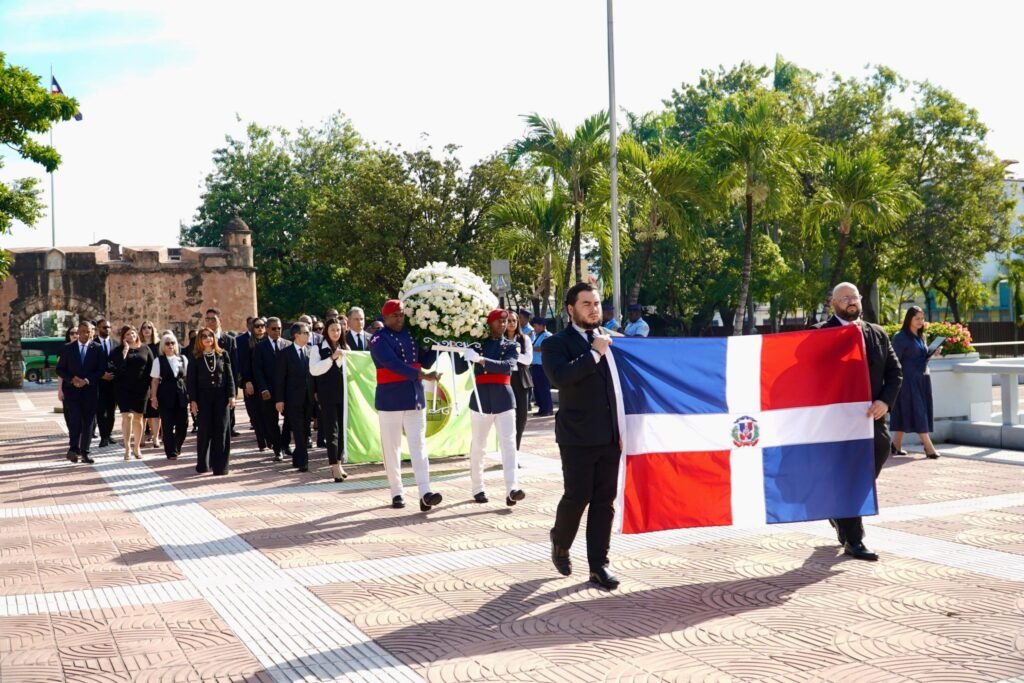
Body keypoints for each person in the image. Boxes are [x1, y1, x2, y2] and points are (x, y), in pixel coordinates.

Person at [815, 282, 902, 561]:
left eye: (855, 297)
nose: (851, 302)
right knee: (849, 475)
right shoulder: (819, 335)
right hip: (835, 423)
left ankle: (840, 511)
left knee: (875, 458)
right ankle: (854, 538)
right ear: (833, 303)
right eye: (845, 298)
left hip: (872, 420)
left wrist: (885, 401)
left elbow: (895, 372)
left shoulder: (877, 333)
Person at [542, 282, 621, 590]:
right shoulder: (555, 343)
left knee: (604, 501)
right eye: (586, 303)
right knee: (577, 497)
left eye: (597, 303)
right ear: (571, 309)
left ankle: (598, 565)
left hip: (610, 436)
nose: (593, 309)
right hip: (576, 436)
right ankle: (560, 541)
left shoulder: (613, 341)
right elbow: (561, 378)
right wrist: (594, 354)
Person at [370, 299, 445, 511]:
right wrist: (422, 374)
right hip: (391, 398)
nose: (400, 318)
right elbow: (392, 364)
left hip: (413, 396)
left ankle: (425, 492)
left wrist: (439, 344)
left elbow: (423, 358)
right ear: (384, 318)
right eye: (395, 315)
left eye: (402, 314)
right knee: (392, 448)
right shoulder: (379, 338)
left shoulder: (411, 335)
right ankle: (396, 491)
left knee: (419, 446)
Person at [464, 309, 526, 506]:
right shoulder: (478, 344)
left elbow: (507, 366)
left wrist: (480, 360)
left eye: (505, 321)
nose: (503, 324)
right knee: (479, 447)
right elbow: (459, 367)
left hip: (504, 399)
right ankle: (478, 487)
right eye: (498, 321)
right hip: (481, 399)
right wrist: (461, 350)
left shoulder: (512, 345)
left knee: (508, 445)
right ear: (489, 323)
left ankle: (512, 488)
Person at [891, 306, 941, 459]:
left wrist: (932, 353)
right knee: (918, 412)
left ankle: (896, 445)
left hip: (922, 379)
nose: (921, 322)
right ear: (909, 319)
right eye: (917, 318)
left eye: (922, 318)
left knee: (907, 411)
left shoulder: (921, 336)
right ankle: (929, 447)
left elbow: (922, 358)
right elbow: (894, 360)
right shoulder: (900, 337)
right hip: (907, 381)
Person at [187, 328, 236, 475]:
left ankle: (221, 466)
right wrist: (193, 400)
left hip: (221, 397)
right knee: (204, 430)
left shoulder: (222, 354)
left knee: (221, 430)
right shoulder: (195, 357)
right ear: (199, 340)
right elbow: (191, 381)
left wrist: (232, 395)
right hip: (203, 398)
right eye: (204, 336)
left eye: (210, 336)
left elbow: (229, 376)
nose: (208, 338)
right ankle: (203, 464)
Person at [56, 320, 104, 464]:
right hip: (72, 392)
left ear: (93, 332)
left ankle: (85, 452)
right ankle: (73, 449)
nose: (85, 334)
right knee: (75, 420)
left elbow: (101, 370)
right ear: (78, 333)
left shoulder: (97, 348)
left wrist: (87, 380)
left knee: (88, 422)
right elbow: (60, 369)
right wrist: (72, 379)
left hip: (90, 391)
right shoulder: (68, 348)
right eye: (82, 331)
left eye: (88, 331)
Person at [310, 318, 350, 482]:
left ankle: (339, 463)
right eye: (333, 329)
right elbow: (314, 370)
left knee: (341, 431)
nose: (336, 333)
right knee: (331, 430)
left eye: (338, 330)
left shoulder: (345, 348)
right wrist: (332, 358)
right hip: (327, 395)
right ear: (326, 331)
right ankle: (333, 466)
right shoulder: (317, 349)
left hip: (344, 394)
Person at [110, 325, 154, 461]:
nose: (131, 336)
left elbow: (151, 370)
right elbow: (115, 369)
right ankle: (127, 447)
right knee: (127, 416)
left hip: (141, 388)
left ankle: (137, 446)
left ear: (137, 335)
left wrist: (153, 390)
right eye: (128, 334)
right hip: (123, 388)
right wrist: (125, 353)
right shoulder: (117, 351)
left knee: (138, 417)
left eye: (133, 333)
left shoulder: (146, 349)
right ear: (123, 337)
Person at [275, 322, 315, 472]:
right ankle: (304, 461)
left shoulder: (311, 351)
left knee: (305, 429)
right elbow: (279, 379)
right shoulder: (285, 353)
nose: (308, 335)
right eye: (305, 332)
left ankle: (298, 457)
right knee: (298, 429)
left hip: (308, 398)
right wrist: (279, 399)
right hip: (292, 398)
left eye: (308, 332)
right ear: (296, 335)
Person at [253, 317, 292, 461]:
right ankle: (277, 448)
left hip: (286, 390)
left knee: (289, 419)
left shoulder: (288, 345)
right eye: (274, 328)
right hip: (269, 390)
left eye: (279, 328)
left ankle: (285, 444)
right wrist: (263, 389)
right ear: (268, 330)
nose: (277, 331)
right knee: (271, 421)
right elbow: (258, 370)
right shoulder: (260, 347)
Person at [149, 332, 189, 459]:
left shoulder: (183, 359)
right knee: (167, 425)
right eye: (167, 343)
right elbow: (154, 381)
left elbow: (187, 378)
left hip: (181, 394)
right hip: (165, 394)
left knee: (183, 424)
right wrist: (153, 397)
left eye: (173, 343)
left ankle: (177, 446)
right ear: (162, 346)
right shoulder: (158, 361)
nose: (170, 345)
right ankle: (170, 451)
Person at [205, 308, 240, 439]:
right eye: (207, 319)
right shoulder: (201, 339)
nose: (210, 322)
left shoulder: (229, 340)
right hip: (207, 387)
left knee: (225, 417)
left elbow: (234, 366)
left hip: (224, 385)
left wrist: (234, 387)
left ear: (220, 320)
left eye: (213, 319)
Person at [238, 317, 269, 452]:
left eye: (263, 325)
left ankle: (271, 440)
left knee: (268, 413)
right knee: (256, 413)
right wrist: (246, 382)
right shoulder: (243, 342)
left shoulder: (269, 341)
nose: (260, 328)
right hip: (251, 382)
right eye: (257, 326)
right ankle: (261, 441)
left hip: (267, 382)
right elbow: (242, 364)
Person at [505, 310, 534, 451]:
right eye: (508, 320)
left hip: (521, 379)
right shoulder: (499, 339)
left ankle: (515, 450)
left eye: (514, 321)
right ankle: (506, 450)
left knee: (521, 417)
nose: (511, 323)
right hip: (504, 378)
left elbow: (528, 360)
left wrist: (513, 354)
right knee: (506, 416)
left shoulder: (525, 339)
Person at [94, 318, 118, 447]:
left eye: (108, 327)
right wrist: (102, 375)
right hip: (99, 383)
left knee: (111, 412)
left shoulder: (116, 344)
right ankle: (103, 436)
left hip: (113, 384)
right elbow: (90, 365)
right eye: (104, 327)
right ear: (98, 328)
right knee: (100, 411)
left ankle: (108, 434)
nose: (107, 330)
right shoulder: (93, 344)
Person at [139, 320, 162, 449]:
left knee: (155, 410)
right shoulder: (138, 345)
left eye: (149, 327)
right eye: (144, 328)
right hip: (141, 381)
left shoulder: (158, 345)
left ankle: (155, 438)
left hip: (156, 380)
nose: (146, 330)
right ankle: (140, 437)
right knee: (141, 411)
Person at [56, 326, 79, 437]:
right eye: (72, 333)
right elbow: (60, 372)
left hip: (84, 387)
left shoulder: (88, 348)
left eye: (77, 332)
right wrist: (60, 390)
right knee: (69, 413)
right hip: (68, 387)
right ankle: (73, 435)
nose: (75, 335)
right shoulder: (64, 349)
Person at [530, 317, 554, 417]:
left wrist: (531, 348)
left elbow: (546, 348)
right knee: (538, 389)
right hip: (536, 366)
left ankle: (548, 409)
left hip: (542, 366)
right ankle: (542, 408)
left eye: (535, 326)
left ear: (542, 326)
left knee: (543, 388)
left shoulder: (546, 335)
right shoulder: (538, 335)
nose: (534, 328)